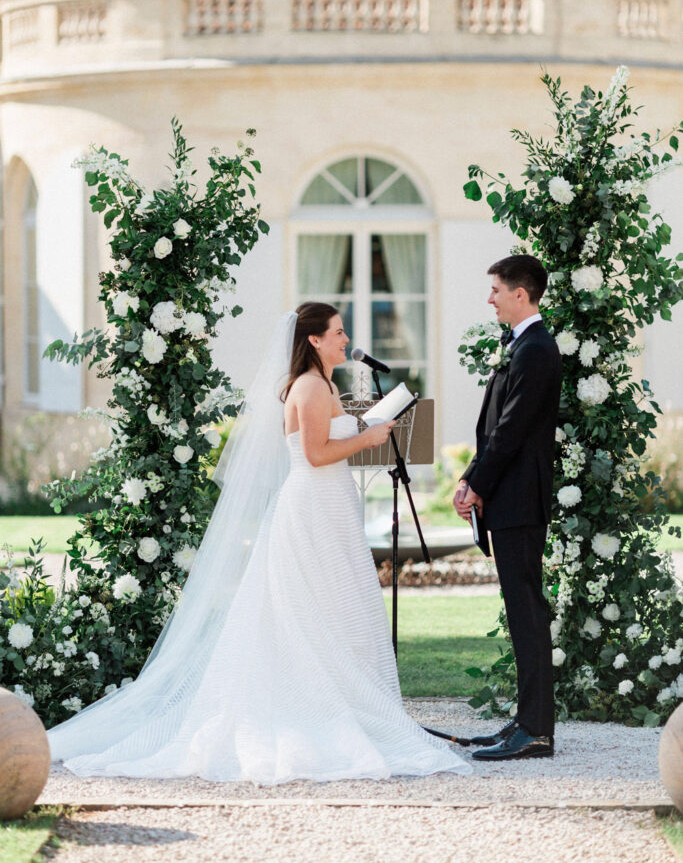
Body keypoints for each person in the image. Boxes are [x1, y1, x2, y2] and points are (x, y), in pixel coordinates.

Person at [48, 302, 469, 782]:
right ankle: (315, 709)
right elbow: (314, 455)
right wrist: (369, 436)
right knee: (308, 612)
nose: (344, 339)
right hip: (311, 509)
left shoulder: (325, 384)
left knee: (335, 609)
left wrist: (368, 429)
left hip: (330, 508)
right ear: (313, 339)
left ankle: (347, 701)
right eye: (336, 332)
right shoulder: (310, 386)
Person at [453, 256, 561, 761]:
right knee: (521, 611)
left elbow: (513, 430)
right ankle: (525, 721)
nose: (490, 298)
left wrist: (477, 482)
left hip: (519, 499)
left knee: (527, 613)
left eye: (496, 289)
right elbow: (497, 428)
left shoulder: (536, 350)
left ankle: (536, 730)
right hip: (508, 497)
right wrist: (471, 478)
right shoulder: (523, 346)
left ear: (522, 294)